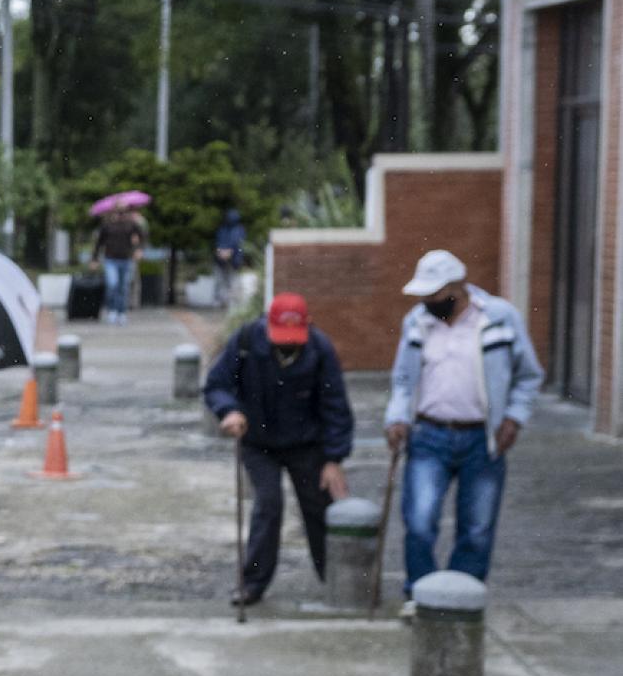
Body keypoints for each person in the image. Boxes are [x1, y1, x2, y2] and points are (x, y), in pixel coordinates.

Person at [383, 249, 545, 596]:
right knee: (420, 522)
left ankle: (461, 598)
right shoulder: (417, 321)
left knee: (477, 528)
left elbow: (529, 375)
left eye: (435, 294)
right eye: (424, 294)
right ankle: (421, 594)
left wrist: (515, 417)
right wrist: (397, 416)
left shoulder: (501, 317)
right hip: (428, 433)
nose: (428, 300)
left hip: (482, 439)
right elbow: (402, 379)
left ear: (457, 287)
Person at [205, 293, 353, 607]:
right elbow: (217, 384)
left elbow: (335, 406)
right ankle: (253, 583)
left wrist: (333, 459)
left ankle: (336, 580)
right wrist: (228, 411)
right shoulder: (246, 340)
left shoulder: (320, 349)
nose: (288, 343)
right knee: (268, 505)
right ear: (267, 325)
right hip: (258, 443)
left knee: (318, 508)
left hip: (306, 445)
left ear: (307, 326)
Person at [93, 203, 147, 324]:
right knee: (113, 285)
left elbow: (143, 236)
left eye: (123, 211)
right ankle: (112, 310)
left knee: (123, 287)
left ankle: (121, 312)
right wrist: (95, 258)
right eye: (118, 211)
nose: (120, 214)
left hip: (126, 259)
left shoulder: (131, 224)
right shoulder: (107, 225)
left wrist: (139, 249)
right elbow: (99, 243)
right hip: (110, 259)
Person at [211, 207, 251, 309]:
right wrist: (220, 252)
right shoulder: (223, 229)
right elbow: (219, 242)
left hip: (234, 261)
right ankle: (221, 301)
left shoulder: (239, 230)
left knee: (232, 281)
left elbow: (238, 244)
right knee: (221, 281)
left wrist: (230, 252)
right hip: (221, 260)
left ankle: (232, 303)